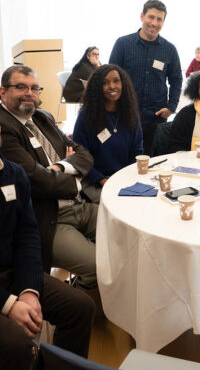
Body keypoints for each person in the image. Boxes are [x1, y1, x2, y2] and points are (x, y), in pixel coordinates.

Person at [0, 127, 96, 370]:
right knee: (17, 343)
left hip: (11, 274)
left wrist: (29, 290)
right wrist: (9, 304)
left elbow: (28, 237)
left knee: (81, 308)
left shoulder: (15, 174)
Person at [0, 65, 98, 291]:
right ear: (3, 93)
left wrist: (60, 167)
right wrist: (75, 180)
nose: (29, 93)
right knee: (98, 264)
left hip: (78, 205)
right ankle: (80, 301)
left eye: (35, 88)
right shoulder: (4, 128)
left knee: (124, 234)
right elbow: (34, 180)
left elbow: (83, 154)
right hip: (48, 219)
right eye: (21, 87)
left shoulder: (43, 117)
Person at [109, 0, 182, 155]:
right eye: (151, 17)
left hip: (156, 118)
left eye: (159, 19)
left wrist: (171, 107)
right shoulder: (122, 44)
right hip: (125, 114)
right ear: (142, 16)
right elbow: (110, 78)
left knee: (153, 161)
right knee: (124, 158)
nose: (154, 23)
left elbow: (176, 80)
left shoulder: (169, 49)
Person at [73, 64, 143, 203]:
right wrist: (102, 180)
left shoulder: (131, 114)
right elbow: (80, 157)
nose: (112, 86)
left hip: (125, 178)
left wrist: (127, 177)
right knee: (118, 205)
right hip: (95, 181)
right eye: (105, 83)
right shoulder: (86, 116)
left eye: (116, 81)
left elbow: (137, 151)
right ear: (97, 88)